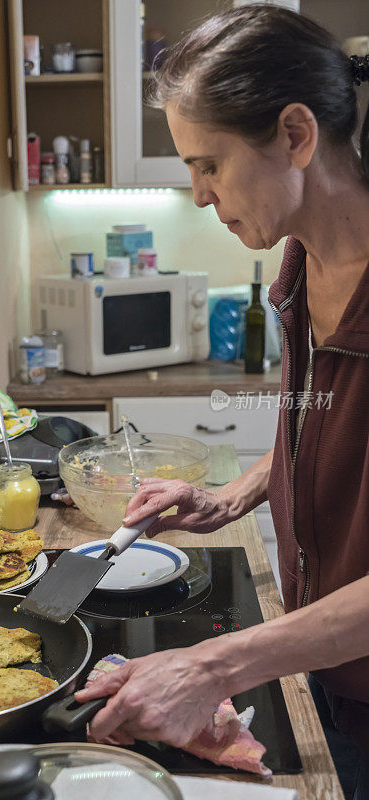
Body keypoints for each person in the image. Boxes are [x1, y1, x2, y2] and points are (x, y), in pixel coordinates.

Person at [75, 6, 369, 798]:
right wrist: (231, 494)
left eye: (208, 164)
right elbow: (333, 427)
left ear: (296, 135)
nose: (199, 195)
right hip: (327, 664)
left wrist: (212, 664)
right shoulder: (300, 269)